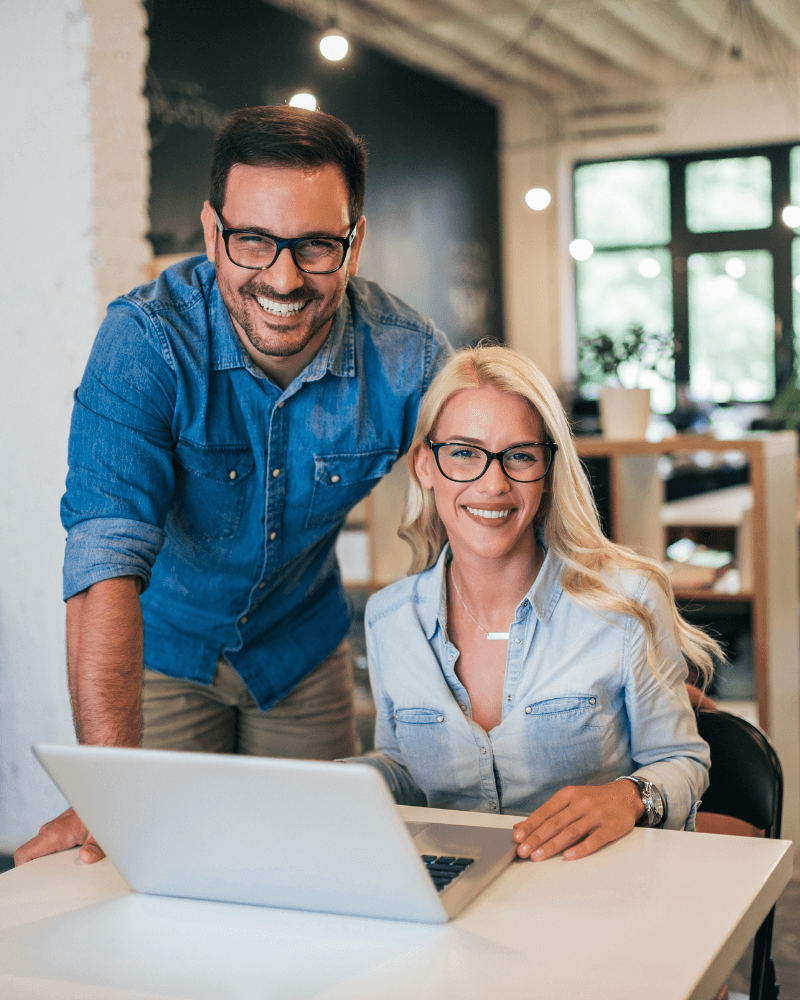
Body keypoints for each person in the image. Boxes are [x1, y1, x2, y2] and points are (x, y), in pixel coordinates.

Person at [15, 106, 450, 866]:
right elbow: (102, 561)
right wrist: (108, 788)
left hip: (301, 651)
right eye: (253, 241)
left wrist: (624, 650)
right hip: (161, 653)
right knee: (154, 874)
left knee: (320, 875)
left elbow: (505, 501)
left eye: (316, 245)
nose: (283, 279)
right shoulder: (145, 342)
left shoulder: (407, 358)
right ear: (213, 232)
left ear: (355, 241)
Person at [345, 344, 719, 861]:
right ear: (425, 467)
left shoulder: (626, 602)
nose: (492, 484)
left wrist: (628, 797)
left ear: (546, 471)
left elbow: (681, 760)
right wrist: (334, 782)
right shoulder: (390, 619)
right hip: (456, 896)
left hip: (595, 894)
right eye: (464, 453)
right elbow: (406, 770)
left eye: (519, 455)